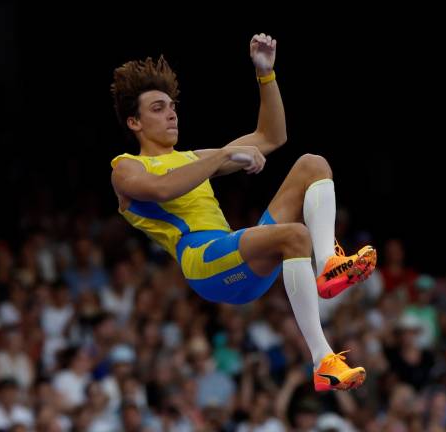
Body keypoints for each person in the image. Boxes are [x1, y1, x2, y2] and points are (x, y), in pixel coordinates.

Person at [110, 33, 377, 391]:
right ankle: (322, 360)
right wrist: (221, 155)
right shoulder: (126, 168)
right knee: (296, 235)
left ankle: (329, 264)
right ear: (134, 123)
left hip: (237, 256)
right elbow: (162, 188)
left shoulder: (194, 159)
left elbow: (271, 135)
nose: (171, 113)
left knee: (312, 165)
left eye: (172, 105)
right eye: (158, 108)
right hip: (203, 261)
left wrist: (266, 75)